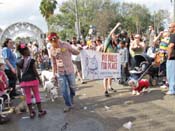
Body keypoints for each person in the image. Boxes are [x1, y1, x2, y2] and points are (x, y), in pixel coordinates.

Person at [48, 32, 80, 112]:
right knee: (63, 90)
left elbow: (74, 51)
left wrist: (79, 50)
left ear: (57, 37)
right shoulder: (51, 49)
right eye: (51, 39)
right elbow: (53, 63)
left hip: (69, 70)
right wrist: (54, 74)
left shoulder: (65, 44)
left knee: (72, 87)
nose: (53, 40)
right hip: (60, 72)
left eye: (54, 38)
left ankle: (71, 98)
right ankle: (68, 105)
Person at [17, 43, 46, 118]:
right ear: (26, 51)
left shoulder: (19, 62)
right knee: (36, 94)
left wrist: (20, 82)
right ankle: (40, 111)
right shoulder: (31, 60)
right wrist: (39, 79)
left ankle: (31, 113)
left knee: (28, 96)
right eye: (28, 49)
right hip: (33, 79)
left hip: (25, 81)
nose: (29, 51)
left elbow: (18, 74)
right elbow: (35, 71)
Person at [103, 22, 121, 97]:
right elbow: (111, 33)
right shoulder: (108, 41)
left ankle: (110, 87)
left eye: (116, 36)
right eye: (114, 36)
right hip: (106, 60)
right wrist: (116, 26)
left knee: (110, 75)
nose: (115, 37)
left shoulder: (115, 45)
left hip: (112, 61)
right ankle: (105, 90)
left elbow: (116, 53)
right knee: (105, 76)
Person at [165, 23, 175, 95]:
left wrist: (168, 56)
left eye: (169, 27)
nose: (168, 29)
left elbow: (171, 46)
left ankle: (172, 90)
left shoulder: (173, 35)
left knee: (171, 75)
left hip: (172, 58)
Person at [0, 57, 10, 124]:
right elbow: (1, 80)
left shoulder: (2, 72)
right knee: (1, 100)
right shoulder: (1, 73)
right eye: (3, 66)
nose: (4, 67)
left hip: (2, 89)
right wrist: (4, 87)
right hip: (1, 90)